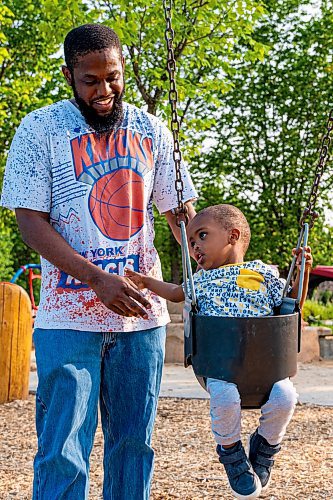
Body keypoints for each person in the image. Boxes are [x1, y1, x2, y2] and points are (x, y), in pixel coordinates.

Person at [0, 24, 197, 500]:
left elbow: (181, 217)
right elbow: (31, 222)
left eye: (113, 77)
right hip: (68, 318)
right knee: (62, 451)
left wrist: (211, 255)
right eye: (91, 81)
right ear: (69, 75)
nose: (105, 90)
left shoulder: (151, 129)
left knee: (134, 447)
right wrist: (95, 279)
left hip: (141, 320)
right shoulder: (40, 130)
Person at [126, 204, 313, 499]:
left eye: (201, 236)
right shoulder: (200, 280)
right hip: (220, 363)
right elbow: (176, 292)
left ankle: (265, 446)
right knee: (225, 399)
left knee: (286, 397)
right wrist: (147, 282)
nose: (195, 246)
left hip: (266, 364)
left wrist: (301, 274)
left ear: (233, 236)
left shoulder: (262, 272)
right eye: (190, 242)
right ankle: (231, 452)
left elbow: (290, 304)